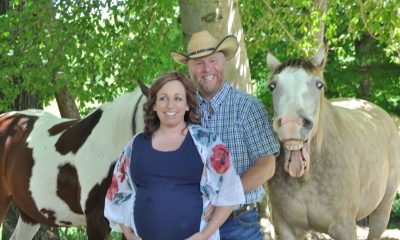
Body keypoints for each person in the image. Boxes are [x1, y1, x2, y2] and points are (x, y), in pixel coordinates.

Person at [104, 71, 245, 240]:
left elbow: (230, 192)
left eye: (178, 98)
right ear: (154, 105)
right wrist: (128, 234)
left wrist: (204, 235)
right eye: (163, 98)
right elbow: (119, 193)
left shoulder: (207, 143)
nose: (170, 105)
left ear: (187, 105)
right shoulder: (135, 145)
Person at [171, 31, 280, 240]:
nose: (206, 69)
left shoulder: (248, 107)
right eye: (198, 63)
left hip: (239, 223)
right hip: (191, 223)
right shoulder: (181, 110)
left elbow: (267, 165)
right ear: (189, 68)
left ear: (225, 61)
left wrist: (222, 198)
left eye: (212, 60)